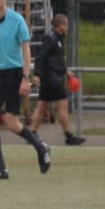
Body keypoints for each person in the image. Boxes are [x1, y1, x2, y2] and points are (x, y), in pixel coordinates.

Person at [0, 0, 51, 180]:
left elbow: (26, 50)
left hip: (13, 74)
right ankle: (1, 168)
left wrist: (26, 78)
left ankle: (41, 147)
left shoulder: (17, 20)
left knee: (11, 122)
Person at [30, 11, 84, 145]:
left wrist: (65, 71)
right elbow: (40, 56)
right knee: (62, 107)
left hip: (52, 78)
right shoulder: (51, 38)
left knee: (41, 106)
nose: (68, 27)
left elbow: (56, 60)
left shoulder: (58, 39)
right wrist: (37, 74)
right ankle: (68, 136)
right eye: (66, 25)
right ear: (61, 25)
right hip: (52, 79)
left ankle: (32, 134)